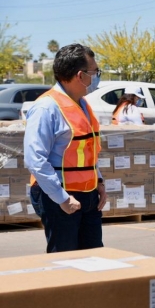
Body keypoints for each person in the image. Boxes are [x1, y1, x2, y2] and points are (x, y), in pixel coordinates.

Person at [24, 43, 107, 253]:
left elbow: (87, 149)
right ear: (80, 75)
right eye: (95, 72)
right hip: (60, 194)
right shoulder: (46, 108)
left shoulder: (82, 104)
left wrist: (99, 181)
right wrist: (61, 198)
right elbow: (35, 160)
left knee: (94, 255)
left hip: (88, 194)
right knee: (64, 258)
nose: (97, 77)